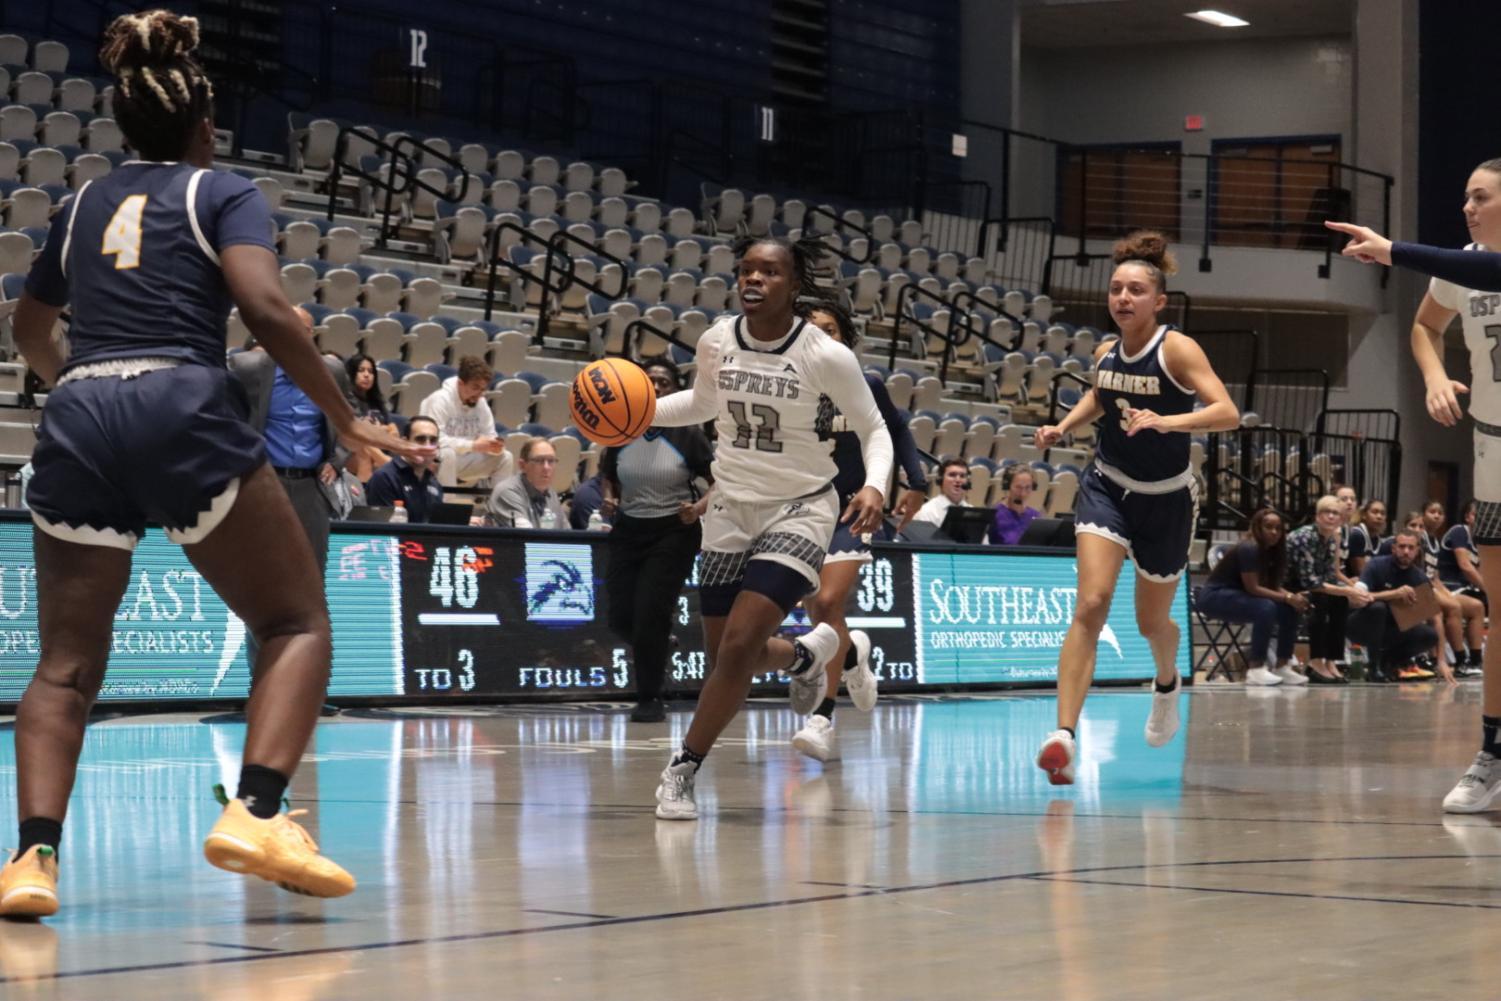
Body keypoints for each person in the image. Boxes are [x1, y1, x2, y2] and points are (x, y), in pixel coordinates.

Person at [0, 9, 424, 918]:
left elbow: (29, 329)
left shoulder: (77, 205)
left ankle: (31, 861)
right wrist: (350, 422)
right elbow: (271, 314)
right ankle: (258, 811)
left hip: (79, 405)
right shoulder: (221, 190)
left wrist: (78, 386)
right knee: (296, 621)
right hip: (178, 398)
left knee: (66, 665)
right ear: (205, 125)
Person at [646, 235, 893, 820]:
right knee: (728, 654)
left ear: (794, 284)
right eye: (746, 270)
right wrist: (641, 414)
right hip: (730, 507)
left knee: (736, 647)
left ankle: (681, 769)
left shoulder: (824, 354)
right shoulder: (715, 341)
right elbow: (702, 403)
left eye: (770, 272)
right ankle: (805, 659)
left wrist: (876, 484)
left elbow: (875, 429)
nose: (754, 280)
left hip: (801, 506)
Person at [1032, 230, 1239, 784]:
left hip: (1167, 499)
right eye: (1116, 289)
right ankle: (1063, 736)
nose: (1123, 298)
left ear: (1159, 300)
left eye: (1136, 290)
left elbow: (1226, 411)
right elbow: (1102, 394)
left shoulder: (1177, 349)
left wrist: (1168, 421)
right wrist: (1063, 426)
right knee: (1091, 603)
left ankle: (1167, 682)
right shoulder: (1105, 351)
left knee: (1152, 623)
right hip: (1107, 484)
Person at [1332, 166, 1501, 805]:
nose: (1466, 207)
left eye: (1479, 196)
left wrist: (1393, 249)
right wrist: (1433, 376)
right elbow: (1425, 328)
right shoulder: (1461, 266)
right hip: (1493, 452)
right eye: (1463, 195)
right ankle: (1493, 750)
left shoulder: (1478, 267)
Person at [791, 300, 926, 762]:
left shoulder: (864, 384)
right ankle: (852, 655)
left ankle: (822, 718)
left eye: (831, 330)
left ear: (845, 339)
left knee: (829, 603)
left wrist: (917, 483)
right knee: (820, 618)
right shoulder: (791, 387)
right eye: (814, 331)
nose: (822, 338)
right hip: (802, 508)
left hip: (853, 508)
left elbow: (897, 427)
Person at [599, 355, 714, 723]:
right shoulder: (619, 428)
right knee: (619, 618)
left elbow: (720, 481)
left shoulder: (688, 433)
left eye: (664, 382)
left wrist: (697, 509)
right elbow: (607, 474)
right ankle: (657, 643)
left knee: (651, 611)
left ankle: (650, 698)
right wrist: (610, 496)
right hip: (628, 529)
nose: (657, 387)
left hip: (673, 531)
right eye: (650, 380)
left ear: (675, 390)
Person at [1195, 509, 1310, 686]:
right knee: (1265, 607)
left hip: (1240, 597)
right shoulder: (1249, 547)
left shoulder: (1273, 551)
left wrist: (1291, 597)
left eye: (1278, 528)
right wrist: (1286, 597)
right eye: (1268, 527)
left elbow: (1271, 585)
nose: (1274, 532)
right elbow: (1253, 588)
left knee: (1289, 608)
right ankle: (1256, 669)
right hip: (1215, 597)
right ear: (1257, 528)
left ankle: (1282, 666)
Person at [1286, 496, 1371, 683]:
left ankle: (1331, 660)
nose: (1331, 517)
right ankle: (1315, 661)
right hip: (1287, 585)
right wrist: (1347, 591)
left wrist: (1354, 590)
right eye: (1327, 512)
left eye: (1336, 514)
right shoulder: (1305, 536)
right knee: (1321, 600)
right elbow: (1310, 582)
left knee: (1339, 601)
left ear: (1341, 519)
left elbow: (1330, 576)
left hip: (1311, 584)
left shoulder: (1332, 539)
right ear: (1317, 516)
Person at [1347, 529, 1445, 684]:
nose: (1406, 551)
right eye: (1402, 546)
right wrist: (1394, 594)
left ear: (1417, 551)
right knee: (1378, 608)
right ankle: (1373, 668)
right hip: (1361, 625)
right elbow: (1355, 599)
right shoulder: (1376, 565)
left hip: (1392, 629)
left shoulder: (1419, 577)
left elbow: (1435, 618)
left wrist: (1441, 661)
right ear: (1393, 548)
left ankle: (1387, 662)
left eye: (1411, 548)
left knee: (1429, 635)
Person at [419, 355, 512, 489]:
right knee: (447, 454)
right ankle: (447, 507)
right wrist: (473, 445)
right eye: (475, 387)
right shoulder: (439, 400)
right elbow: (435, 442)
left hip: (465, 459)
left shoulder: (481, 402)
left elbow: (490, 434)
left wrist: (493, 446)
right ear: (460, 383)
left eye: (483, 389)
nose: (479, 394)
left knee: (506, 458)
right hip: (434, 459)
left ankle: (500, 507)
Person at [364, 416, 445, 522]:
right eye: (420, 439)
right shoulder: (385, 477)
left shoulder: (433, 482)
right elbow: (382, 530)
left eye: (433, 440)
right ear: (404, 443)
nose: (427, 446)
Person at [487, 437, 566, 529]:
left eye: (551, 461)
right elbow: (527, 537)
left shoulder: (551, 494)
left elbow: (566, 534)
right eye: (539, 460)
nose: (546, 467)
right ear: (522, 465)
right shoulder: (507, 491)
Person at [343, 351, 395, 481]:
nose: (367, 375)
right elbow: (353, 433)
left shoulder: (377, 402)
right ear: (351, 374)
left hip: (378, 449)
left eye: (371, 371)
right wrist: (376, 432)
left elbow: (393, 431)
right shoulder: (346, 401)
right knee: (363, 450)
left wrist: (376, 432)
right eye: (361, 370)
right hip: (351, 453)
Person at [910, 458, 971, 528]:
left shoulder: (972, 512)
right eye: (952, 475)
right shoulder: (927, 512)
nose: (958, 480)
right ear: (940, 480)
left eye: (962, 476)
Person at [990, 466, 1040, 545]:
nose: (1022, 493)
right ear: (1007, 486)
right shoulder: (994, 515)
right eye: (1018, 487)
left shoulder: (1036, 516)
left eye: (1027, 487)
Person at [1349, 499, 1387, 577]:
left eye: (1382, 513)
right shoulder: (1357, 534)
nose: (1379, 516)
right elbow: (1361, 572)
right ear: (1364, 515)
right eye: (1374, 512)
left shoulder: (1380, 540)